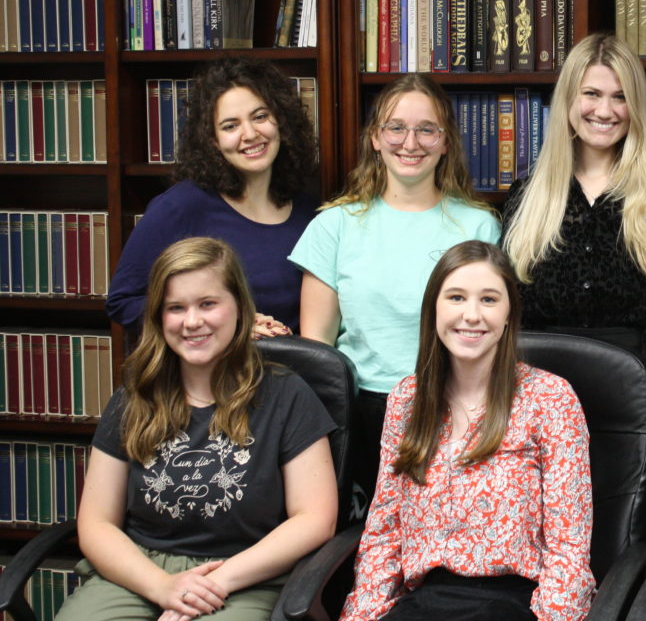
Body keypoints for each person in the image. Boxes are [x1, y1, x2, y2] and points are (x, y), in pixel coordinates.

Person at [500, 31, 646, 619]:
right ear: (568, 101)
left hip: (636, 394)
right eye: (591, 93)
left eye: (619, 97)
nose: (604, 110)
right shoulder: (525, 196)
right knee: (557, 553)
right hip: (539, 398)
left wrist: (640, 392)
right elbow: (511, 308)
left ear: (636, 107)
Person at [58, 236, 338, 621]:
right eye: (175, 308)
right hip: (139, 572)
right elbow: (95, 523)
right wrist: (164, 587)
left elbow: (315, 519)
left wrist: (214, 584)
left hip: (246, 575)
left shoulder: (287, 395)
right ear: (158, 317)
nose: (192, 322)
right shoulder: (134, 397)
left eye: (208, 304)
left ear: (240, 307)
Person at [339, 240, 593, 621]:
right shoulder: (407, 400)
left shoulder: (550, 399)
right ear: (434, 309)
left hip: (515, 603)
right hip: (424, 602)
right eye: (456, 297)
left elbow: (568, 549)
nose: (471, 315)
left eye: (489, 300)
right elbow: (384, 533)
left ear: (509, 314)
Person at [290, 74, 500, 493]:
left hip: (451, 408)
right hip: (358, 414)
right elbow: (317, 352)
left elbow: (491, 335)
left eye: (427, 129)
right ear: (374, 138)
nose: (411, 142)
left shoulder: (479, 225)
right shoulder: (332, 226)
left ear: (445, 142)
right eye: (396, 128)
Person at [107, 57, 319, 339]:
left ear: (281, 121)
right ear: (213, 141)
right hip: (211, 375)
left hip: (292, 375)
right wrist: (232, 325)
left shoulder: (310, 213)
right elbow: (123, 302)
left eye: (260, 117)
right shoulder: (181, 207)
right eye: (230, 126)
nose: (250, 134)